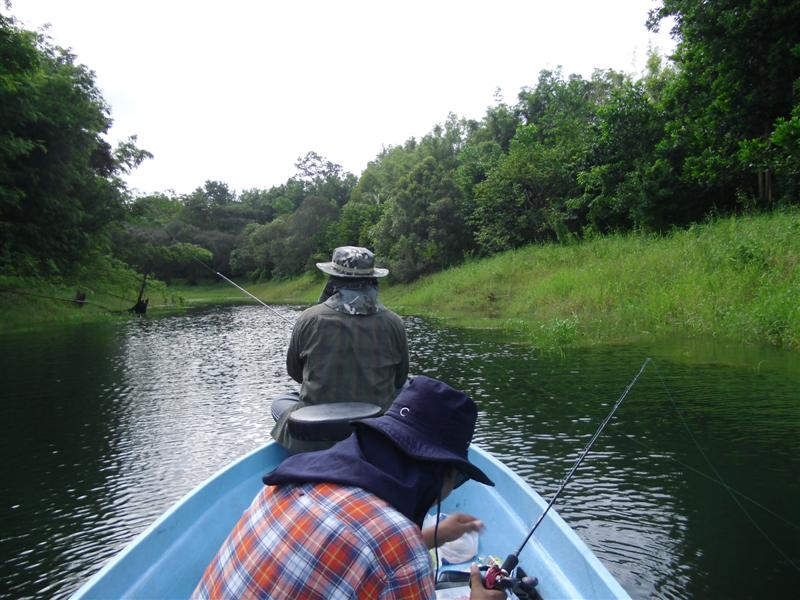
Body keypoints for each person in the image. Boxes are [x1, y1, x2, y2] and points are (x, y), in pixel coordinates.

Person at [193, 376, 506, 600]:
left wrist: (428, 538)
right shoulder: (399, 548)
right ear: (438, 473)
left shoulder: (288, 482)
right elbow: (384, 551)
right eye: (456, 478)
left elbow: (348, 546)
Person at [271, 246, 409, 453]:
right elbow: (399, 379)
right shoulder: (393, 322)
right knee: (408, 386)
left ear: (333, 280)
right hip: (374, 423)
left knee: (280, 402)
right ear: (373, 280)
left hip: (318, 426)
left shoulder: (309, 318)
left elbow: (296, 373)